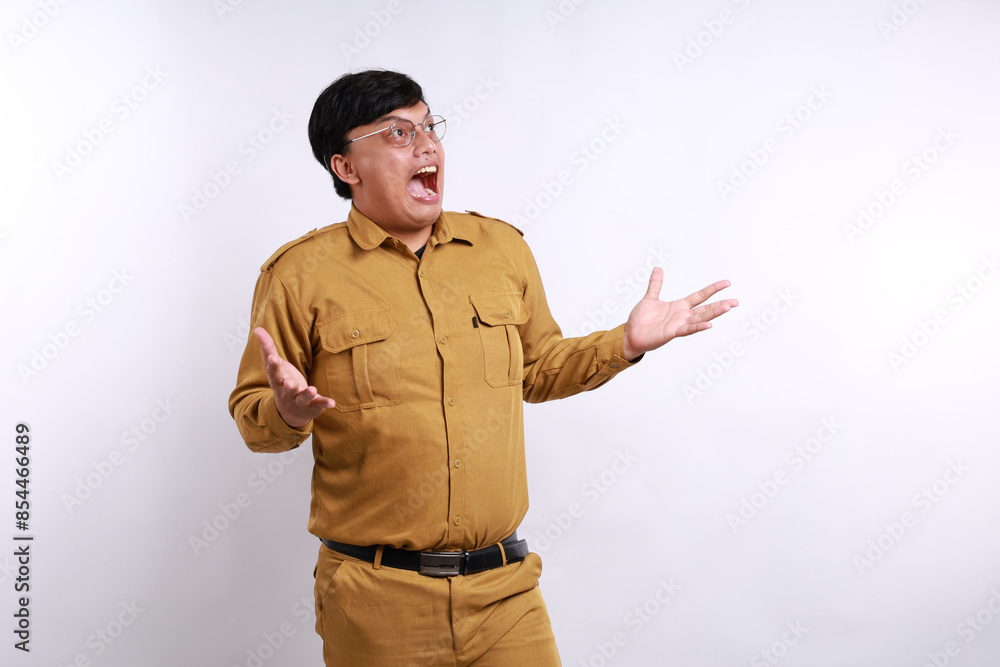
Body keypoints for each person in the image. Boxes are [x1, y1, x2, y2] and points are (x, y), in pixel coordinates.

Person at [229, 69, 737, 666]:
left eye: (429, 127)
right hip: (376, 599)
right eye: (397, 133)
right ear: (347, 167)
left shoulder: (501, 250)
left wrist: (624, 343)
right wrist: (285, 413)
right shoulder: (300, 274)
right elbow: (252, 414)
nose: (426, 147)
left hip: (506, 594)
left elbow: (540, 369)